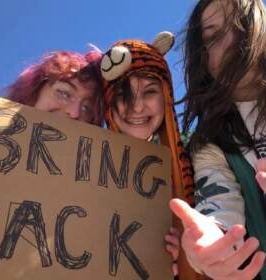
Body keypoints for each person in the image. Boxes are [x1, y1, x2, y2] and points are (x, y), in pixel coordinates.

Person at [171, 0, 266, 279]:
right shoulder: (210, 144)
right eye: (213, 36)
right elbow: (219, 210)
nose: (231, 41)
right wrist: (209, 244)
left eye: (241, 25)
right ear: (203, 59)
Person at [0, 50, 104, 221]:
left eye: (86, 108)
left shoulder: (94, 189)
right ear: (34, 92)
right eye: (64, 93)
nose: (75, 112)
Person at [100, 31, 200, 279]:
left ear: (166, 95)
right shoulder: (89, 166)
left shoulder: (196, 153)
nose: (136, 107)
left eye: (149, 91)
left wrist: (192, 250)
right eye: (123, 93)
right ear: (108, 102)